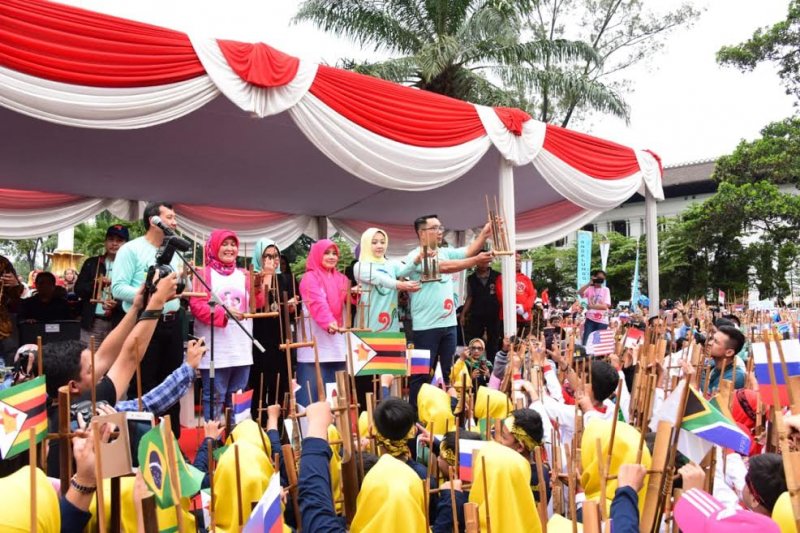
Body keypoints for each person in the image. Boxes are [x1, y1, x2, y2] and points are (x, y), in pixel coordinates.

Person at [42, 273, 178, 476]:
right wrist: (157, 302)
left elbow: (106, 355)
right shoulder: (80, 412)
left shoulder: (53, 405)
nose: (99, 369)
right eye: (90, 369)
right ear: (73, 386)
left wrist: (136, 308)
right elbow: (130, 357)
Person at [111, 201, 185, 435]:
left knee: (172, 384)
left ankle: (172, 443)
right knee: (144, 386)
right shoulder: (131, 250)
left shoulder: (173, 253)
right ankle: (141, 444)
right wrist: (152, 294)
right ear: (154, 221)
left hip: (172, 323)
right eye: (170, 217)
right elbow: (118, 289)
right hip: (143, 323)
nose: (175, 222)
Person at [404, 214, 493, 407]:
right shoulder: (415, 257)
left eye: (440, 227)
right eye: (434, 228)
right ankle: (414, 419)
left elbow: (468, 250)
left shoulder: (444, 251)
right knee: (420, 375)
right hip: (424, 328)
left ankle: (446, 417)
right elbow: (445, 268)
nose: (440, 231)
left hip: (449, 325)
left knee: (448, 373)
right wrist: (476, 261)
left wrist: (485, 234)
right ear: (421, 233)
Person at [189, 229, 263, 421]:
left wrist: (260, 286)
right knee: (214, 398)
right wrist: (226, 315)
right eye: (224, 244)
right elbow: (197, 306)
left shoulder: (246, 274)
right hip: (216, 351)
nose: (230, 248)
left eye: (233, 244)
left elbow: (258, 304)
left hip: (241, 350)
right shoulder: (202, 274)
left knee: (238, 400)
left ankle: (235, 442)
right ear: (214, 246)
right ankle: (212, 445)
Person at [295, 239, 350, 406]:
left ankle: (334, 432)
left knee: (335, 400)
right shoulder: (309, 278)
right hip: (314, 347)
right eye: (327, 253)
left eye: (334, 253)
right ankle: (309, 432)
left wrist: (354, 294)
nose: (331, 257)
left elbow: (349, 302)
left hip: (338, 345)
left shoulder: (342, 279)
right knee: (310, 400)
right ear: (317, 255)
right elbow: (317, 302)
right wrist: (328, 322)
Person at [248, 237, 296, 418]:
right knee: (260, 381)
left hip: (281, 336)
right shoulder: (253, 278)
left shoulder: (286, 278)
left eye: (275, 256)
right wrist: (267, 275)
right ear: (259, 257)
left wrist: (292, 305)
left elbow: (292, 311)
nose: (272, 260)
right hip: (259, 337)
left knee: (280, 380)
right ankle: (258, 419)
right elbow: (259, 303)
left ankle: (279, 422)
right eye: (267, 255)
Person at [353, 228, 419, 333]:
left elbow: (406, 270)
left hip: (391, 325)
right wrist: (400, 285)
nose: (380, 246)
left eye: (383, 242)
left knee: (390, 349)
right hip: (367, 323)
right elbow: (380, 279)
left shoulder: (391, 264)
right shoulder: (360, 266)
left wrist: (417, 259)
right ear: (365, 244)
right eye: (374, 242)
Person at [75, 224, 128, 344]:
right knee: (89, 360)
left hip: (119, 322)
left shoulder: (130, 265)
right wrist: (96, 284)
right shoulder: (92, 263)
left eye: (119, 240)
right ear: (105, 242)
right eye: (111, 239)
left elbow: (135, 294)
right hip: (93, 322)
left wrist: (117, 305)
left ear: (126, 244)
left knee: (115, 361)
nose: (114, 244)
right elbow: (78, 289)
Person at [461, 261, 500, 359]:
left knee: (493, 342)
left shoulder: (497, 276)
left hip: (494, 314)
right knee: (475, 341)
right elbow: (469, 297)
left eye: (486, 262)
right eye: (481, 262)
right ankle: (473, 366)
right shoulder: (471, 279)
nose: (483, 264)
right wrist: (463, 314)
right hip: (477, 314)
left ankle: (491, 368)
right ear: (476, 262)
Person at [496, 251, 536, 337]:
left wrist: (524, 307)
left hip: (524, 317)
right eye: (515, 261)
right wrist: (513, 307)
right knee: (507, 342)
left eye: (519, 261)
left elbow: (532, 295)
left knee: (523, 343)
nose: (517, 263)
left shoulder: (526, 279)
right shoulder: (501, 278)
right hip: (507, 317)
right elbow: (500, 295)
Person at [702, 325, 746, 392]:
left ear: (729, 352)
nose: (709, 343)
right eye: (712, 339)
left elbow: (710, 401)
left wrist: (698, 375)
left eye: (716, 342)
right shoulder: (714, 367)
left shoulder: (735, 376)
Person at [578, 269, 611, 345]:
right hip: (590, 320)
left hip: (602, 321)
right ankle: (586, 356)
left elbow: (605, 307)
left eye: (602, 278)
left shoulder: (606, 290)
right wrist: (589, 283)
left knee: (597, 344)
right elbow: (579, 292)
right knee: (586, 342)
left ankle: (595, 357)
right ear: (594, 277)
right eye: (598, 277)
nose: (600, 280)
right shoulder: (589, 289)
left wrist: (592, 306)